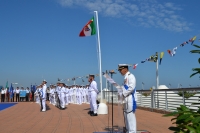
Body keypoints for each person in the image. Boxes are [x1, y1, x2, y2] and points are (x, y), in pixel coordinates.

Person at [118, 64, 137, 133]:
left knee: (130, 118)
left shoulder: (131, 76)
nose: (120, 71)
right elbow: (124, 88)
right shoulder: (126, 78)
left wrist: (124, 94)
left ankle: (132, 131)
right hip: (126, 100)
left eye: (121, 70)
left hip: (130, 99)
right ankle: (128, 131)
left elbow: (131, 87)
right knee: (127, 118)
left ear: (125, 69)